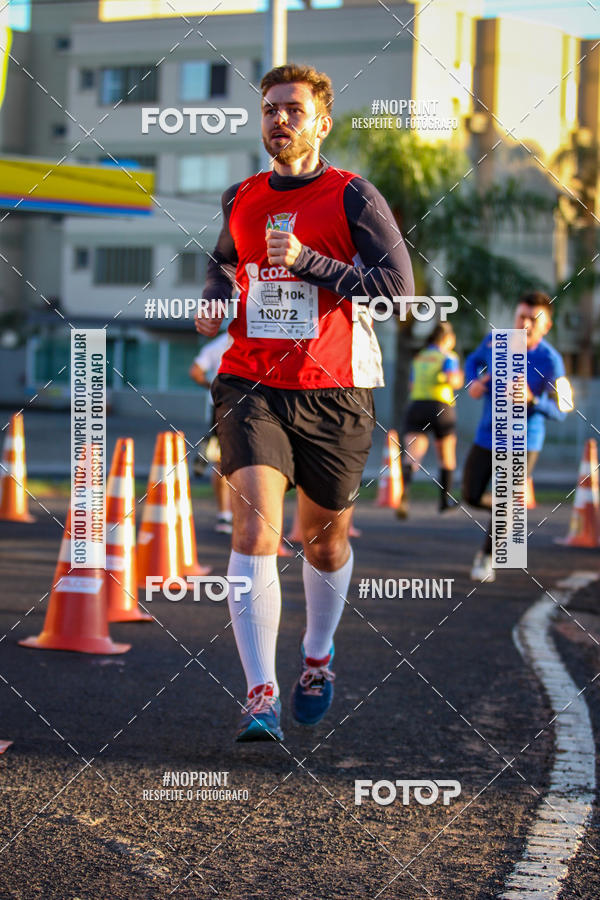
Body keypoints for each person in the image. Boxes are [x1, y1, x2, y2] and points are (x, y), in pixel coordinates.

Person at [195, 62, 414, 742]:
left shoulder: (354, 196)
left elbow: (397, 294)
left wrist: (313, 263)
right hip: (250, 384)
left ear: (321, 122)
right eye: (269, 110)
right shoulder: (241, 195)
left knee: (323, 543)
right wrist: (212, 301)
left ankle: (316, 657)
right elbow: (224, 263)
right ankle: (259, 691)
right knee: (255, 530)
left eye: (293, 109)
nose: (279, 119)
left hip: (335, 391)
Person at [462, 291, 573, 582]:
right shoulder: (498, 342)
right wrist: (473, 382)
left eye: (532, 319)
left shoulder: (551, 361)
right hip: (488, 434)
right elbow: (472, 361)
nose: (524, 323)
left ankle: (486, 558)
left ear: (546, 326)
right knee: (469, 495)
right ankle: (508, 512)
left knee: (505, 501)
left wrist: (533, 400)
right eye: (520, 316)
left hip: (524, 441)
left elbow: (563, 409)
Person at [396, 321, 463, 518]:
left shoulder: (420, 357)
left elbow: (411, 385)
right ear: (447, 339)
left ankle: (405, 494)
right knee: (446, 456)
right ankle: (444, 502)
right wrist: (458, 377)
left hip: (417, 406)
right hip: (441, 406)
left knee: (412, 457)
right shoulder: (448, 356)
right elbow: (453, 380)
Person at [188, 330, 233, 534]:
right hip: (241, 406)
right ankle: (232, 514)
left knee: (221, 460)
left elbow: (195, 372)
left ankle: (225, 514)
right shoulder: (256, 337)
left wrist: (211, 386)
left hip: (219, 407)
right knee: (240, 460)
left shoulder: (217, 344)